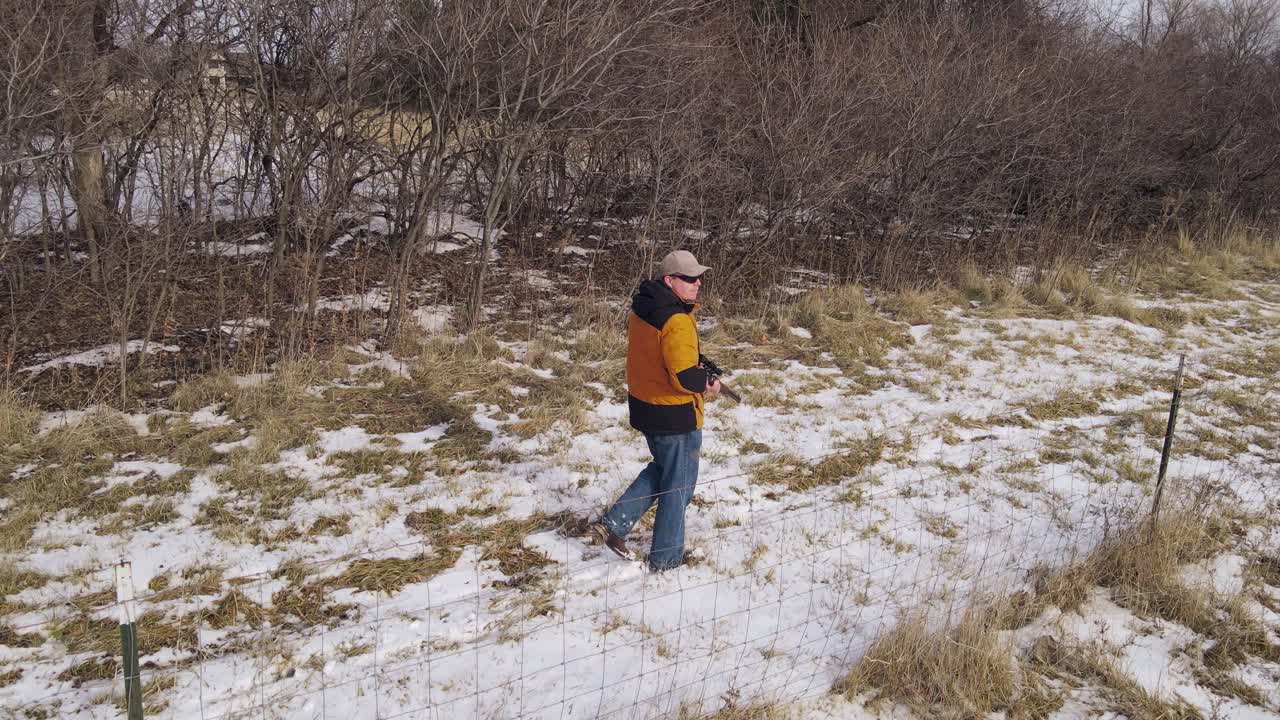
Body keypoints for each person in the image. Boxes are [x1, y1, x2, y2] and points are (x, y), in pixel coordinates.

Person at [591, 249, 720, 572]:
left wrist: (698, 366)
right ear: (670, 280)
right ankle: (666, 559)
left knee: (665, 470)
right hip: (674, 413)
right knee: (679, 486)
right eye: (689, 278)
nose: (698, 283)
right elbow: (683, 376)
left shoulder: (645, 310)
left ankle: (615, 523)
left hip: (646, 406)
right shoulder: (676, 319)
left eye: (699, 277)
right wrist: (707, 382)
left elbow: (658, 359)